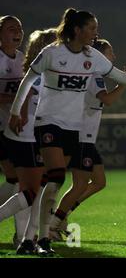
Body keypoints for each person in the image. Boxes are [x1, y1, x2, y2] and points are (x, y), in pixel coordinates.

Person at [8, 8, 126, 256]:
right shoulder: (52, 53)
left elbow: (118, 76)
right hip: (48, 121)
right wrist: (15, 112)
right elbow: (28, 80)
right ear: (77, 29)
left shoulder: (92, 56)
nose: (96, 33)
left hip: (73, 126)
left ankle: (36, 240)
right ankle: (36, 239)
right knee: (55, 177)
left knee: (51, 182)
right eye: (92, 28)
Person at [48, 39, 126, 242]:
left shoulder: (95, 76)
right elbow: (109, 100)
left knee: (99, 182)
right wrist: (125, 82)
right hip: (81, 137)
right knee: (79, 184)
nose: (113, 56)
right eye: (110, 52)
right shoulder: (93, 76)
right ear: (100, 56)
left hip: (86, 137)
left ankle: (62, 216)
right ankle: (52, 225)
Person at [0, 28, 57, 255]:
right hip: (27, 135)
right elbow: (26, 94)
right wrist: (20, 115)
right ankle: (29, 240)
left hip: (31, 134)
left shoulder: (47, 68)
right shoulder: (40, 70)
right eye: (56, 43)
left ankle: (26, 241)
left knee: (29, 190)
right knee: (34, 191)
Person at [0, 15, 28, 248]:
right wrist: (18, 97)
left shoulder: (22, 60)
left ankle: (21, 238)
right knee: (19, 179)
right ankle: (22, 238)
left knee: (16, 178)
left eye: (19, 28)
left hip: (10, 129)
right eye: (11, 28)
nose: (17, 32)